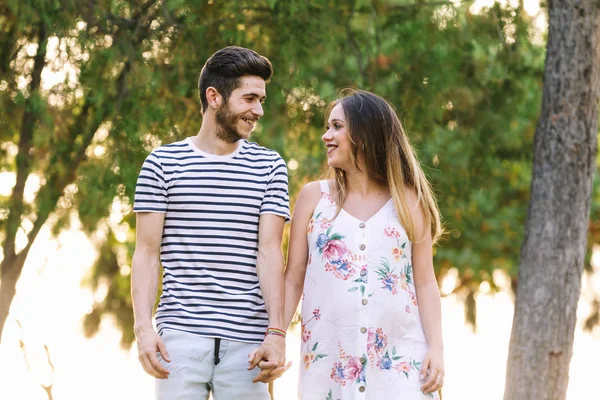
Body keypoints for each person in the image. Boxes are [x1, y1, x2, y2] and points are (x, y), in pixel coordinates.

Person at [131, 46, 291, 400]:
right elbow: (145, 252)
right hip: (179, 341)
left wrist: (276, 334)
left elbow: (270, 253)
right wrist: (143, 328)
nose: (258, 111)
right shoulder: (162, 163)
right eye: (249, 98)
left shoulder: (270, 167)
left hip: (248, 346)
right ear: (214, 97)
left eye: (261, 100)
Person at [283, 89, 445, 399]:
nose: (326, 136)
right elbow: (293, 277)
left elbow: (425, 282)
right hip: (329, 363)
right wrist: (275, 335)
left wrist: (436, 349)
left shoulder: (410, 202)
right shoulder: (313, 198)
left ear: (365, 134)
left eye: (336, 126)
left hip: (401, 368)